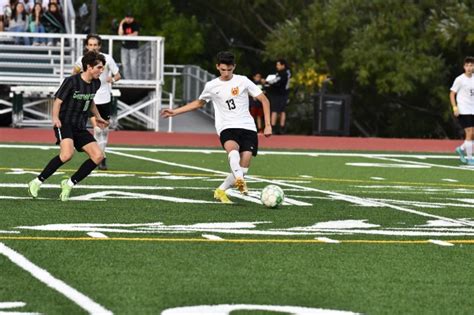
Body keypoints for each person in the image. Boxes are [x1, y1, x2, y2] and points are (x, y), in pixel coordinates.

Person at [161, 51, 272, 203]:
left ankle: (221, 190)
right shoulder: (212, 86)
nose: (226, 73)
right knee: (233, 151)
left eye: (229, 69)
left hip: (247, 126)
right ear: (217, 67)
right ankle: (240, 180)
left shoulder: (243, 81)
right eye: (223, 69)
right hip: (226, 126)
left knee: (244, 164)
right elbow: (199, 103)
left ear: (234, 67)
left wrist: (267, 125)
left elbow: (264, 100)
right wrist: (175, 111)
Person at [27, 50, 108, 201]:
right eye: (99, 67)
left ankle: (69, 183)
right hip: (64, 123)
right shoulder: (71, 81)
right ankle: (37, 181)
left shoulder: (96, 83)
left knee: (98, 156)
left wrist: (98, 117)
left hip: (80, 126)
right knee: (67, 155)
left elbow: (90, 101)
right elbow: (58, 101)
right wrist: (55, 117)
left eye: (102, 68)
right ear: (89, 67)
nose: (101, 71)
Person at [73, 33, 121, 170]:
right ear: (86, 46)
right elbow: (74, 73)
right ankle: (98, 156)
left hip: (104, 97)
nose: (93, 47)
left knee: (103, 130)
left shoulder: (107, 59)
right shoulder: (81, 59)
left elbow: (118, 75)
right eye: (90, 45)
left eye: (95, 45)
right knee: (97, 129)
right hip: (89, 96)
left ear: (99, 46)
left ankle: (102, 156)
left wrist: (111, 79)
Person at [450, 56, 474, 165]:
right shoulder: (460, 79)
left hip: (472, 108)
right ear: (464, 67)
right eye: (467, 65)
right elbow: (452, 93)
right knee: (470, 132)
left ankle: (461, 149)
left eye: (471, 65)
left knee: (472, 134)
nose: (469, 68)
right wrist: (455, 107)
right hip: (463, 109)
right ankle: (470, 158)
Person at [264, 59, 291, 134]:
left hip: (281, 94)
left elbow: (277, 81)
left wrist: (267, 83)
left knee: (278, 110)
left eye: (278, 65)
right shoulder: (281, 73)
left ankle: (278, 128)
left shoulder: (285, 73)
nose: (277, 66)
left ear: (283, 65)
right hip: (279, 94)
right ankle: (276, 127)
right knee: (278, 110)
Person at [117, 11, 139, 80]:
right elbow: (120, 34)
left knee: (133, 64)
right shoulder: (124, 24)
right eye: (127, 17)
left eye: (130, 17)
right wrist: (121, 23)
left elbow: (135, 34)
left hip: (133, 48)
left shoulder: (135, 24)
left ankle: (134, 80)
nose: (129, 19)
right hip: (124, 47)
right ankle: (127, 80)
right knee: (125, 64)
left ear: (133, 18)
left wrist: (126, 36)